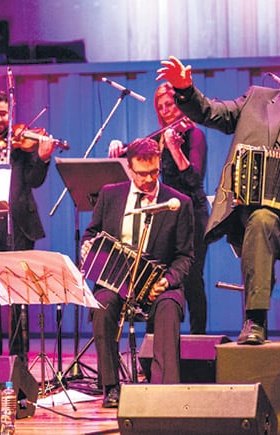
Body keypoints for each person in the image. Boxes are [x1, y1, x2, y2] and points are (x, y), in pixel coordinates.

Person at [159, 47, 280, 345]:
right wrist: (185, 89)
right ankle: (255, 319)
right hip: (259, 212)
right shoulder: (257, 100)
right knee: (263, 219)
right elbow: (212, 112)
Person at [82, 138, 194, 408]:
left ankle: (164, 390)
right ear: (129, 169)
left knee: (169, 307)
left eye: (154, 172)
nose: (149, 180)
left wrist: (167, 280)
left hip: (160, 283)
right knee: (102, 304)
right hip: (116, 281)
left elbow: (185, 257)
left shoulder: (179, 203)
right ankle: (110, 387)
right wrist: (88, 247)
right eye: (142, 174)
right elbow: (92, 233)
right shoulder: (110, 195)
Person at [109, 83, 210, 334]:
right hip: (168, 214)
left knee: (193, 280)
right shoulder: (162, 136)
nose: (167, 111)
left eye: (171, 105)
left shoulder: (193, 135)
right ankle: (155, 345)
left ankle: (198, 343)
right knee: (158, 278)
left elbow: (194, 181)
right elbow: (135, 150)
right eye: (161, 107)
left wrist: (175, 148)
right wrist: (118, 148)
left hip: (193, 216)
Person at [0, 90, 57, 356]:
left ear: (10, 114)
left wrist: (42, 157)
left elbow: (34, 180)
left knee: (19, 294)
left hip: (18, 225)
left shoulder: (23, 144)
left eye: (3, 113)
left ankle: (19, 354)